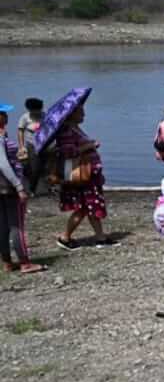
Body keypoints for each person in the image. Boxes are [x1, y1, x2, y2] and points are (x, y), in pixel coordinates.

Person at [54, 99, 118, 250]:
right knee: (84, 207)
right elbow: (67, 152)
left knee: (90, 205)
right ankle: (65, 237)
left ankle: (100, 237)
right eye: (80, 112)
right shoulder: (66, 131)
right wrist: (90, 145)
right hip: (81, 175)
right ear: (71, 114)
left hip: (89, 174)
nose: (84, 114)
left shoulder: (75, 128)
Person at [0, 103, 44, 273]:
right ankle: (25, 263)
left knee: (3, 225)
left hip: (2, 187)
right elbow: (2, 164)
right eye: (4, 115)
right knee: (16, 225)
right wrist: (19, 186)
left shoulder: (3, 138)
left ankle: (7, 262)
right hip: (9, 188)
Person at [17, 97, 45, 196]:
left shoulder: (44, 115)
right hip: (30, 145)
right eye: (35, 110)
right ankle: (31, 189)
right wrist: (21, 146)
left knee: (39, 168)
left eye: (39, 109)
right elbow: (20, 130)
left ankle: (34, 188)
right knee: (33, 168)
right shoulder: (25, 117)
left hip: (43, 144)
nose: (38, 111)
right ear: (29, 109)